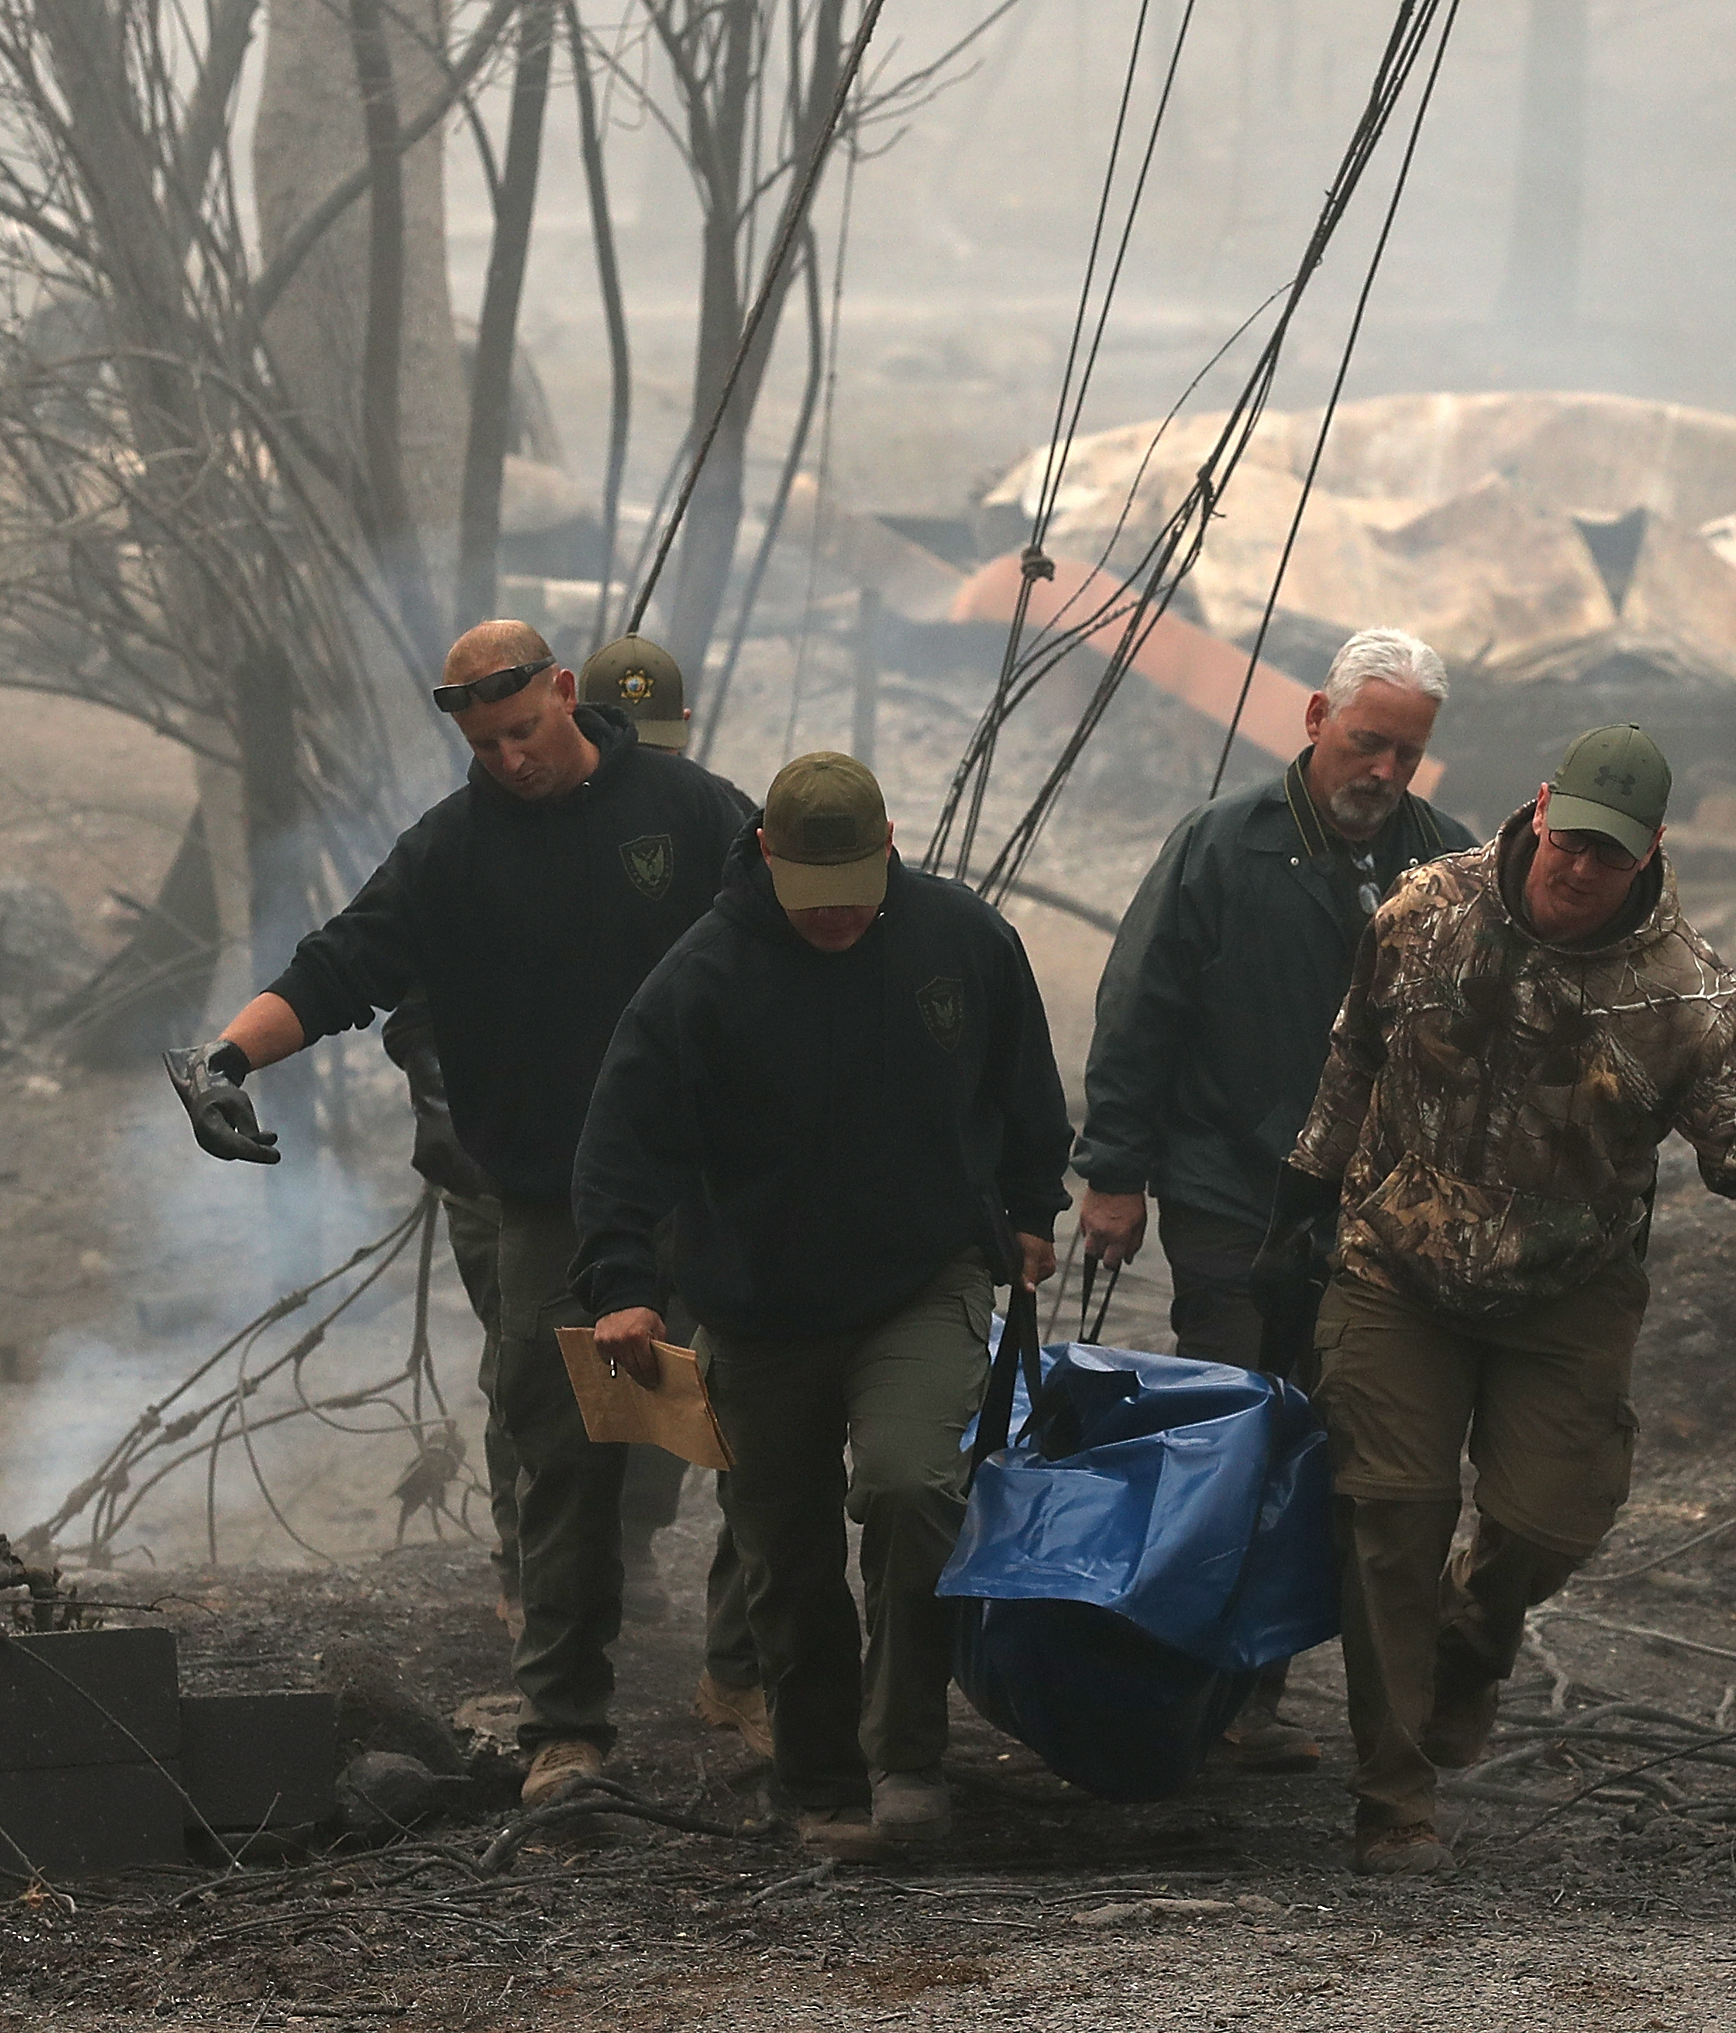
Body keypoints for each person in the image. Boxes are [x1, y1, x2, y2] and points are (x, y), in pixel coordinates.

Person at [163, 620, 756, 1807]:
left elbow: (799, 937)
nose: (511, 759)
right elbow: (337, 968)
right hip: (555, 1196)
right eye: (486, 743)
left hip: (721, 1178)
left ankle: (752, 1677)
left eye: (525, 730)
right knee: (556, 1450)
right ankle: (567, 1725)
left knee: (764, 1424)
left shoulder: (690, 813)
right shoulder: (451, 850)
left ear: (566, 694)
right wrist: (223, 1057)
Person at [1254, 723, 1736, 1875]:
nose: (1580, 870)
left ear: (1651, 853)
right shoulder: (1427, 911)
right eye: (1570, 842)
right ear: (1539, 809)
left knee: (1548, 1517)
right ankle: (1394, 1799)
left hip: (1565, 1285)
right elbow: (1353, 1052)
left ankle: (1474, 1644)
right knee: (1392, 1515)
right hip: (1396, 1265)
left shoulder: (1688, 996)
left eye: (1609, 858)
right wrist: (1300, 1205)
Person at [570, 751, 1073, 1858]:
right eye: (811, 896)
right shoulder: (702, 976)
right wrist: (621, 1286)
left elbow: (1026, 1087)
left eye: (854, 889)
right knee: (784, 1549)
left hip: (920, 1273)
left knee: (908, 1485)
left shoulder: (963, 938)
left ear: (889, 845)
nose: (836, 915)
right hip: (759, 1300)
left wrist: (1033, 1209)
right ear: (765, 857)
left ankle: (907, 1756)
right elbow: (621, 1141)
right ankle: (819, 1777)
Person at [1070, 626, 1473, 1769]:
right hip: (1228, 1189)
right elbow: (1139, 1011)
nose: (1383, 771)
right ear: (1313, 720)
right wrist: (1112, 1172)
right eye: (1366, 741)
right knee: (1230, 1430)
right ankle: (1186, 1674)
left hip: (1375, 1216)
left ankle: (1259, 1687)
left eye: (1406, 752)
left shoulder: (1442, 864)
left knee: (1333, 1444)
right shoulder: (1221, 847)